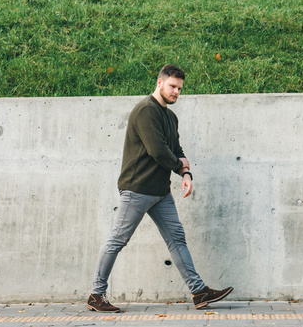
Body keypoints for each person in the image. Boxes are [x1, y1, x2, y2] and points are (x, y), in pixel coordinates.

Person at [87, 64, 233, 313]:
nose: (176, 92)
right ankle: (96, 295)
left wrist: (185, 173)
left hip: (160, 192)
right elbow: (157, 151)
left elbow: (176, 151)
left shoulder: (170, 116)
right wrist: (179, 165)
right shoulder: (146, 111)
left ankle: (199, 291)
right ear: (159, 83)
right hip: (138, 188)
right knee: (118, 240)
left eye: (179, 89)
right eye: (172, 86)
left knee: (177, 239)